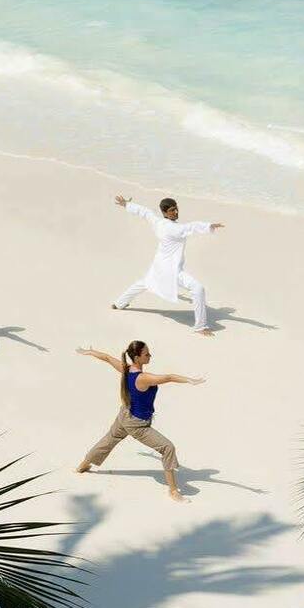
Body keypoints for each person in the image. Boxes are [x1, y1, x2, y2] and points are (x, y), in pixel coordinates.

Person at [75, 341, 205, 501]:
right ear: (137, 357)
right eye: (147, 354)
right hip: (137, 424)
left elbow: (108, 358)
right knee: (167, 448)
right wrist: (190, 380)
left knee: (108, 440)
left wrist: (90, 352)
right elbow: (169, 377)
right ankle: (173, 491)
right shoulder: (144, 378)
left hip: (124, 415)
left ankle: (82, 466)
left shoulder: (126, 369)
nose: (150, 356)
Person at [110, 195, 222, 335]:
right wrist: (208, 226)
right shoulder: (174, 229)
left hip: (159, 267)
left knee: (144, 283)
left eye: (176, 209)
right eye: (172, 210)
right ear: (164, 213)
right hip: (171, 271)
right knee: (198, 288)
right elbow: (191, 227)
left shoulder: (158, 222)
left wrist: (127, 204)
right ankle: (200, 326)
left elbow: (145, 212)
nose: (175, 212)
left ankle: (119, 303)